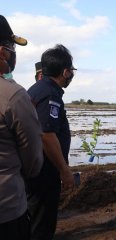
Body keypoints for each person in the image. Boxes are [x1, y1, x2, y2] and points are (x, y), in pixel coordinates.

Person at [0, 15, 44, 240]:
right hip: (7, 210)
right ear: (2, 53)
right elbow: (33, 158)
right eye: (11, 49)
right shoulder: (13, 95)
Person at [26, 44, 76, 240]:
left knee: (35, 221)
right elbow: (46, 135)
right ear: (65, 72)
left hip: (35, 168)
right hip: (44, 173)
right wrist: (64, 170)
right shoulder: (50, 93)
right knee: (42, 226)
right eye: (71, 70)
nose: (71, 74)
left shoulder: (38, 89)